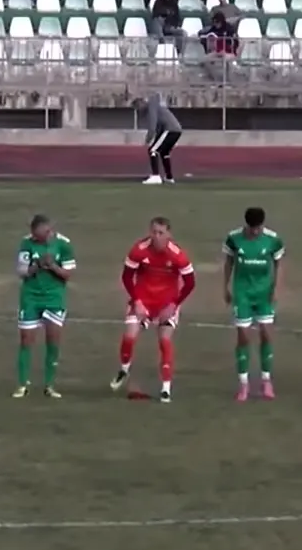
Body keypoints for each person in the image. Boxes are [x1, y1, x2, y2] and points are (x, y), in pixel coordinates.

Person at [112, 217, 196, 403]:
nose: (156, 236)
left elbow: (190, 283)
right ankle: (124, 369)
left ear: (169, 235)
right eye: (153, 232)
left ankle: (166, 389)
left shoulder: (177, 255)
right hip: (143, 299)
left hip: (166, 302)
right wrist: (137, 301)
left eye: (160, 233)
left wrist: (174, 304)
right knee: (129, 336)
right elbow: (127, 277)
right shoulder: (139, 250)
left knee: (165, 340)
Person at [223, 207, 284, 402]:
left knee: (266, 334)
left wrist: (276, 288)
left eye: (258, 228)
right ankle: (243, 383)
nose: (255, 232)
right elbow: (228, 262)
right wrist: (225, 286)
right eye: (252, 228)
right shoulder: (233, 239)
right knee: (243, 337)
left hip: (264, 293)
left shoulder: (273, 240)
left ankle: (266, 380)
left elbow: (279, 264)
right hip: (242, 294)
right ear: (246, 226)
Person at [13, 214, 75, 399]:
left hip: (54, 298)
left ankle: (49, 385)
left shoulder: (63, 244)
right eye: (41, 235)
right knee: (26, 340)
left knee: (53, 341)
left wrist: (53, 266)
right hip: (31, 298)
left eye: (48, 232)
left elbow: (68, 274)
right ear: (34, 233)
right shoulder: (26, 244)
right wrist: (37, 266)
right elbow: (22, 272)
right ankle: (22, 384)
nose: (47, 236)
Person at [134, 92, 182, 184]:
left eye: (138, 108)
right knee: (164, 152)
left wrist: (148, 140)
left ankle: (156, 176)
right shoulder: (157, 106)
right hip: (175, 130)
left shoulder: (151, 108)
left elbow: (152, 126)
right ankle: (169, 177)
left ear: (141, 104)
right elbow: (159, 128)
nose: (139, 111)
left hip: (169, 129)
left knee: (152, 150)